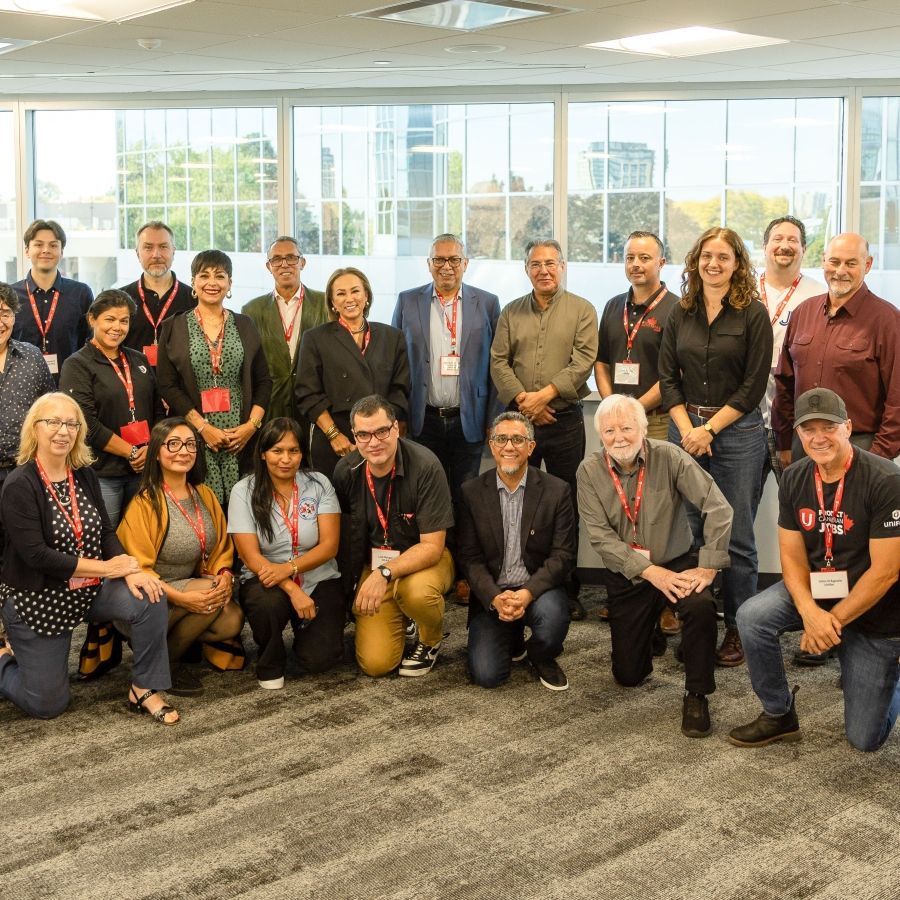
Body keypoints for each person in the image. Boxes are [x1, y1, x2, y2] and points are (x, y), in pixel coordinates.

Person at [729, 388, 900, 752]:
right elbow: (791, 558)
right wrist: (810, 613)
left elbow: (886, 572)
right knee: (752, 616)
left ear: (848, 428)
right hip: (820, 591)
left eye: (829, 427)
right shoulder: (794, 477)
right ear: (799, 433)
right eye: (809, 429)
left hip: (876, 608)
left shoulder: (885, 480)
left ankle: (893, 677)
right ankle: (778, 714)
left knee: (865, 739)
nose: (818, 438)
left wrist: (828, 624)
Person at [0, 392, 177, 724]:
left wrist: (130, 569)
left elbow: (105, 532)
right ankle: (2, 659)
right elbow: (37, 556)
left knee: (151, 594)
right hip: (38, 598)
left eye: (71, 424)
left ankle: (144, 688)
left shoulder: (84, 474)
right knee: (47, 705)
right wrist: (109, 568)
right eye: (53, 422)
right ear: (35, 428)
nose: (63, 431)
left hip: (88, 588)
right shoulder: (19, 483)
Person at [577, 395, 733, 738]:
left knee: (701, 607)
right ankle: (651, 632)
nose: (619, 437)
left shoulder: (670, 456)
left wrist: (708, 567)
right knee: (628, 676)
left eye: (626, 428)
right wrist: (651, 573)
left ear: (643, 429)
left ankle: (697, 695)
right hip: (629, 572)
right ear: (600, 434)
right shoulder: (588, 471)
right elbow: (600, 537)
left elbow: (718, 508)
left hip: (676, 562)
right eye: (609, 431)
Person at [658, 226, 772, 667]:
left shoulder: (753, 314)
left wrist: (708, 430)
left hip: (737, 433)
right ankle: (699, 625)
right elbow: (668, 379)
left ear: (737, 263)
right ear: (696, 261)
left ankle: (739, 630)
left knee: (737, 536)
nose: (714, 263)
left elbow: (752, 386)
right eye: (707, 255)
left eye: (724, 257)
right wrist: (689, 429)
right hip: (685, 430)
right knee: (692, 532)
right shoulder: (681, 311)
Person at [490, 239, 598, 620]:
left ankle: (567, 589)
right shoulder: (511, 312)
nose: (544, 270)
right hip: (518, 425)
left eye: (551, 263)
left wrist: (545, 397)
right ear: (527, 270)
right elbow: (498, 362)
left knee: (565, 503)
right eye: (536, 264)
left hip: (564, 420)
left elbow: (583, 361)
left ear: (562, 267)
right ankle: (522, 579)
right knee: (518, 501)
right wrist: (526, 403)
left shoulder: (582, 310)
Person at [392, 233, 500, 605]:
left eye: (454, 259)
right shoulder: (408, 301)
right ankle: (434, 568)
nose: (447, 266)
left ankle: (467, 573)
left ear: (465, 264)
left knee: (467, 498)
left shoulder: (487, 303)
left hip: (470, 419)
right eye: (439, 260)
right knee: (428, 499)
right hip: (424, 421)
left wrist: (493, 419)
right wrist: (399, 415)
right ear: (429, 264)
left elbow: (496, 365)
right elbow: (397, 363)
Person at [117, 418, 243, 697]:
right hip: (149, 595)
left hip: (191, 584)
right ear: (156, 452)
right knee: (210, 596)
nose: (183, 451)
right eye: (173, 444)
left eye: (189, 444)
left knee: (232, 619)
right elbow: (137, 570)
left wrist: (224, 574)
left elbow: (221, 546)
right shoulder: (145, 502)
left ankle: (167, 648)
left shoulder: (204, 494)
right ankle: (164, 665)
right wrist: (181, 598)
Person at [594, 230, 680, 635]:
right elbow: (601, 362)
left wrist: (633, 411)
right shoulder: (613, 305)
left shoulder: (677, 309)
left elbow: (673, 373)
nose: (636, 264)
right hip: (617, 426)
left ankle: (665, 602)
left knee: (657, 510)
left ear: (662, 262)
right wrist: (612, 409)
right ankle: (625, 593)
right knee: (621, 507)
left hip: (656, 420)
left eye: (645, 257)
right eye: (630, 257)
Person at [333, 394, 454, 678]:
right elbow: (346, 539)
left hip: (425, 560)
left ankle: (430, 640)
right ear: (354, 436)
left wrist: (384, 573)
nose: (373, 442)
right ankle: (401, 616)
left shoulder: (425, 466)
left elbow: (432, 547)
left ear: (396, 428)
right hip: (375, 563)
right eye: (363, 435)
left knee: (416, 593)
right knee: (376, 664)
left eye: (381, 431)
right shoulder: (346, 471)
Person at [457, 411, 574, 691]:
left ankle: (540, 655)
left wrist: (527, 593)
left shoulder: (557, 490)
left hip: (538, 589)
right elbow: (470, 559)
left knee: (553, 619)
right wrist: (494, 598)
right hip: (493, 592)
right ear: (491, 445)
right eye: (501, 439)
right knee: (487, 676)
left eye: (518, 440)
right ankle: (512, 636)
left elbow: (563, 555)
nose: (509, 446)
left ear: (531, 447)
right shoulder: (472, 492)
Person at [228, 417, 345, 689]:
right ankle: (270, 659)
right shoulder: (243, 490)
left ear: (302, 453)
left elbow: (329, 546)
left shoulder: (319, 483)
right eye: (277, 451)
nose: (286, 459)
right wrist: (291, 587)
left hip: (316, 576)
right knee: (266, 604)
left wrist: (290, 569)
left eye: (294, 451)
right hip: (266, 578)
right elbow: (250, 556)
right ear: (263, 453)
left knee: (321, 660)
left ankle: (306, 634)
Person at [156, 249, 273, 505]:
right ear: (193, 282)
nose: (212, 282)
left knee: (243, 508)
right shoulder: (173, 327)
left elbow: (264, 381)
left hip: (240, 437)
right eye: (204, 275)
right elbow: (166, 384)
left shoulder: (246, 325)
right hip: (194, 434)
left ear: (229, 283)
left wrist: (250, 427)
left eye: (220, 276)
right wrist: (203, 428)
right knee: (202, 507)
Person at [773, 232, 899, 463]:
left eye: (851, 263)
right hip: (803, 444)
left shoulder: (887, 320)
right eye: (834, 261)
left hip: (860, 446)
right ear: (824, 261)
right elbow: (784, 383)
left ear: (867, 265)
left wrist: (878, 457)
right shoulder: (803, 312)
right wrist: (784, 441)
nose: (840, 271)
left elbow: (897, 396)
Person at [59, 289, 163, 527]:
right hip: (103, 473)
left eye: (124, 321)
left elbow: (158, 410)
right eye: (110, 319)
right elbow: (85, 423)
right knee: (107, 536)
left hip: (145, 469)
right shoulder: (77, 365)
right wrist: (132, 452)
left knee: (143, 534)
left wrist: (150, 450)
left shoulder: (139, 360)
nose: (117, 327)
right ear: (92, 319)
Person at [295, 267, 410, 482]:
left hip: (380, 438)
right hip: (335, 438)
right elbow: (308, 394)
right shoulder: (315, 338)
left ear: (366, 296)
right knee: (335, 499)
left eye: (355, 291)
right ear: (332, 302)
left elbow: (400, 390)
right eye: (341, 293)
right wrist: (334, 435)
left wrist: (380, 434)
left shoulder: (392, 337)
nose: (349, 299)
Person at [756, 216, 825, 486]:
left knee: (799, 496)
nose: (785, 245)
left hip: (794, 419)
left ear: (803, 249)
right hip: (746, 420)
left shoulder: (818, 295)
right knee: (742, 500)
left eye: (793, 240)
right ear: (764, 246)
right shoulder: (743, 289)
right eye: (778, 239)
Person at [242, 237, 329, 423]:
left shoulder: (325, 304)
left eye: (291, 257)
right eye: (276, 259)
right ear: (269, 266)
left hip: (316, 406)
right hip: (270, 406)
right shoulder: (251, 310)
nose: (284, 264)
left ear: (302, 262)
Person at [0, 282, 55, 567]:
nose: (0, 321)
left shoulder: (32, 356)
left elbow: (50, 409)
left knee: (24, 546)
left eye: (5, 313)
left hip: (24, 471)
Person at [11, 219, 93, 382]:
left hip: (70, 383)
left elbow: (89, 343)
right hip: (21, 386)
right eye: (38, 244)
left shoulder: (81, 293)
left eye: (53, 245)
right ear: (27, 251)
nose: (46, 250)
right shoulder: (10, 295)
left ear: (61, 252)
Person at [121, 220, 197, 364]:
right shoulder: (120, 299)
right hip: (130, 378)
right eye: (148, 247)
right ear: (137, 254)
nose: (156, 254)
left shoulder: (194, 299)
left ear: (173, 251)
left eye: (163, 247)